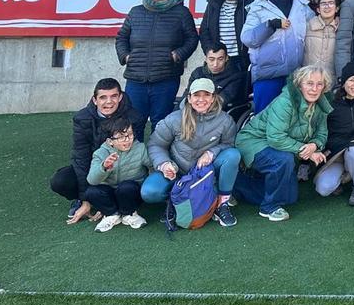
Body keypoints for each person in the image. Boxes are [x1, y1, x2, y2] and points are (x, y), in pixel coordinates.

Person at [234, 65, 332, 222]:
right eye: (309, 83)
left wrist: (314, 145)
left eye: (319, 84)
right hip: (253, 141)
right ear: (299, 84)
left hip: (282, 147)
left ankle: (237, 185)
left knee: (290, 197)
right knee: (283, 160)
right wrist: (305, 150)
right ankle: (269, 208)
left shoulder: (321, 104)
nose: (314, 89)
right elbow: (275, 137)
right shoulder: (285, 102)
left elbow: (322, 133)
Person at [142, 77, 240, 227]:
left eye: (206, 95)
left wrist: (212, 152)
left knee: (233, 155)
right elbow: (155, 144)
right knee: (149, 191)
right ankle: (174, 202)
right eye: (196, 95)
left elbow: (230, 144)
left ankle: (222, 204)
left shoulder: (225, 120)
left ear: (213, 97)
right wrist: (164, 164)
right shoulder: (174, 119)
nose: (201, 100)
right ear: (189, 97)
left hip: (205, 174)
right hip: (177, 171)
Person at [114, 0, 199, 140]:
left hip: (165, 78)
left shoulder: (181, 12)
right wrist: (126, 57)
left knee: (160, 123)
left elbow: (192, 38)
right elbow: (121, 37)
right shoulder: (136, 12)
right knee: (134, 122)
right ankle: (135, 162)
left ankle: (158, 162)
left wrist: (178, 55)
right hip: (136, 79)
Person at [50, 78, 145, 225]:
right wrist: (86, 199)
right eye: (103, 97)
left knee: (128, 184)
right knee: (61, 181)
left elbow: (134, 152)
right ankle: (85, 200)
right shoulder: (82, 118)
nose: (109, 102)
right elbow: (81, 158)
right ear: (95, 100)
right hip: (94, 167)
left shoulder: (134, 117)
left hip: (122, 169)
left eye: (114, 96)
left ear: (120, 97)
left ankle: (117, 203)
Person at [242, 0, 312, 114]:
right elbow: (247, 38)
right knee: (264, 120)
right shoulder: (258, 7)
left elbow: (315, 28)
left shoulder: (301, 5)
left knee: (291, 121)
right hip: (268, 76)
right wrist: (270, 25)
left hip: (295, 76)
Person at [314, 62, 354, 206]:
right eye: (351, 80)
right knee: (323, 189)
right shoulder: (330, 102)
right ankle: (351, 175)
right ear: (343, 82)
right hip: (336, 154)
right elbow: (318, 127)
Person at [85, 116, 152, 233]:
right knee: (91, 192)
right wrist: (104, 167)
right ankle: (111, 214)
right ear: (110, 141)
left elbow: (153, 164)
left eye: (130, 135)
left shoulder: (140, 149)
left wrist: (162, 169)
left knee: (127, 187)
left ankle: (129, 214)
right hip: (109, 191)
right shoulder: (100, 153)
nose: (127, 140)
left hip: (131, 192)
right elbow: (92, 180)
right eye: (121, 137)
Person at [199, 0, 257, 73]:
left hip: (242, 61)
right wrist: (210, 52)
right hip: (219, 61)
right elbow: (204, 30)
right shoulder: (213, 1)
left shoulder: (251, 1)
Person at [187, 45, 249, 116]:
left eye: (220, 59)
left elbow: (222, 100)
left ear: (226, 58)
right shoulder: (197, 72)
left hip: (219, 113)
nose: (215, 64)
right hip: (193, 110)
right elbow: (187, 94)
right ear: (206, 59)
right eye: (211, 59)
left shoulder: (235, 75)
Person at [304, 0, 341, 79]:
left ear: (337, 9)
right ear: (318, 10)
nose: (327, 6)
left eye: (331, 3)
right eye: (323, 4)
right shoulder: (307, 26)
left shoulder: (342, 29)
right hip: (309, 77)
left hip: (331, 78)